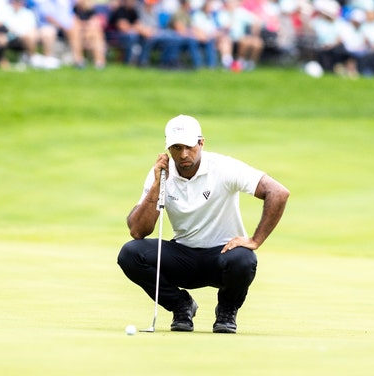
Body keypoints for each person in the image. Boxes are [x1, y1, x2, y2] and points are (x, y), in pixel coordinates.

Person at [118, 114, 290, 334]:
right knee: (130, 254)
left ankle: (227, 311)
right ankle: (181, 305)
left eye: (189, 146)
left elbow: (278, 192)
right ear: (168, 148)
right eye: (176, 147)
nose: (183, 154)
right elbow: (138, 230)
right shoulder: (161, 173)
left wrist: (255, 240)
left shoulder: (223, 167)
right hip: (182, 257)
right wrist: (157, 184)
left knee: (244, 259)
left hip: (223, 257)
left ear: (201, 143)